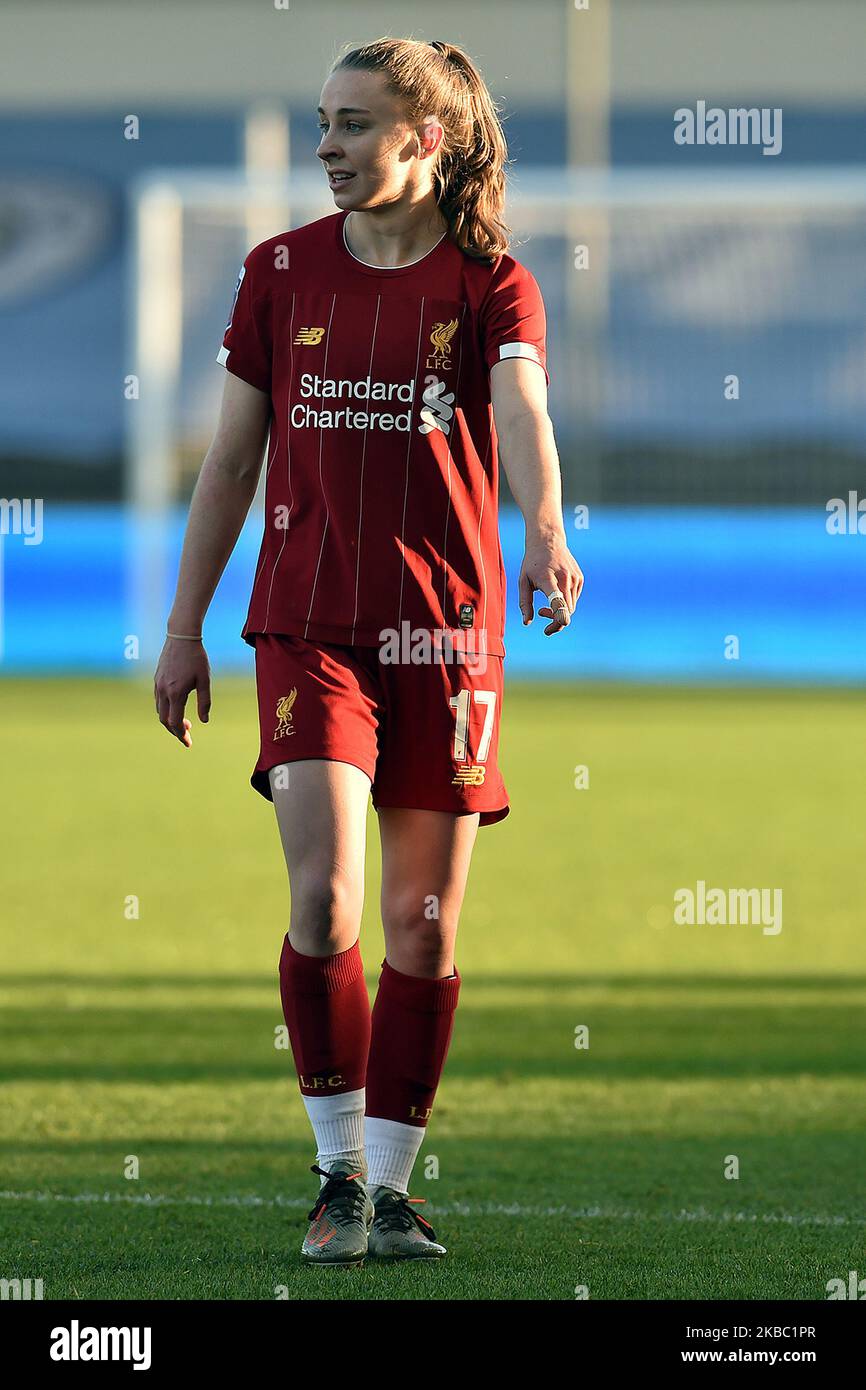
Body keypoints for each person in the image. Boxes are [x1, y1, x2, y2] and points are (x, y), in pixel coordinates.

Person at [153, 35, 584, 1267]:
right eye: (322, 124)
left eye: (351, 125)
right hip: (306, 629)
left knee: (423, 924)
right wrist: (183, 629)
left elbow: (521, 413)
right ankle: (336, 1175)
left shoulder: (490, 281)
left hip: (446, 636)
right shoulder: (277, 272)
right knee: (324, 896)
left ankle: (390, 1191)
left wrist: (545, 530)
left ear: (424, 140)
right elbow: (230, 462)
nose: (327, 147)